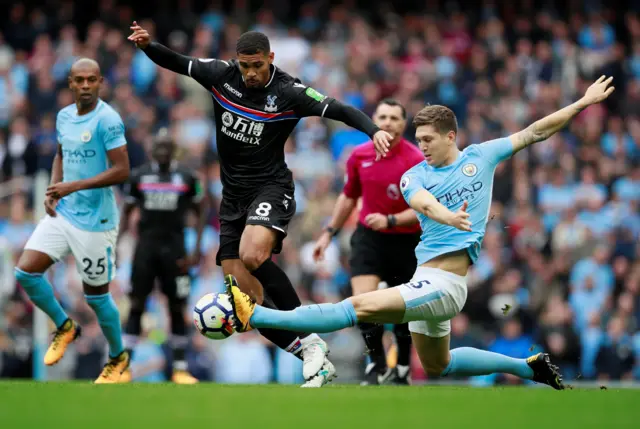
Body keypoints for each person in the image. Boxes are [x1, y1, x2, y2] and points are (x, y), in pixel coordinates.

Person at [227, 75, 617, 390]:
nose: (422, 146)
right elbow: (425, 206)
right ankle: (528, 367)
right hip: (425, 279)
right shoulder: (414, 174)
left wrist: (582, 103)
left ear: (451, 136)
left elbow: (535, 132)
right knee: (439, 365)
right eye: (419, 140)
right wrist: (449, 217)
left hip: (446, 284)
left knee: (358, 306)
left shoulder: (482, 156)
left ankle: (257, 315)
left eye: (428, 139)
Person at [127, 22, 393, 387]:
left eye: (257, 65)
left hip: (271, 188)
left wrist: (373, 130)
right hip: (232, 198)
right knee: (245, 304)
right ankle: (310, 349)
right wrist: (147, 45)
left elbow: (339, 109)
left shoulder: (289, 91)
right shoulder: (222, 76)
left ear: (270, 58)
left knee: (254, 255)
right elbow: (178, 61)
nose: (250, 73)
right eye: (244, 65)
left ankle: (306, 321)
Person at [13, 58, 131, 383]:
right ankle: (65, 327)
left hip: (96, 221)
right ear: (70, 83)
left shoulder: (108, 120)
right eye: (79, 80)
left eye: (91, 80)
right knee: (25, 272)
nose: (85, 86)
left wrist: (72, 186)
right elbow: (61, 154)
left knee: (96, 297)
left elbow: (123, 170)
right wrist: (54, 189)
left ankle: (118, 356)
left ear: (100, 82)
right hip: (64, 212)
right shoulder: (64, 116)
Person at [313, 99, 423, 385]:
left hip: (405, 240)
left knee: (403, 309)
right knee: (362, 301)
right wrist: (328, 232)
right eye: (382, 117)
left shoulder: (415, 161)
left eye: (394, 118)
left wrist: (392, 220)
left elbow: (424, 208)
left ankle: (401, 366)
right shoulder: (358, 155)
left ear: (403, 124)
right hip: (368, 238)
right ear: (374, 120)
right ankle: (375, 363)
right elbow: (349, 196)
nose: (387, 123)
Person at [118, 129, 206, 384]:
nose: (163, 151)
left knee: (177, 306)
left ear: (173, 149)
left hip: (176, 250)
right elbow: (127, 212)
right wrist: (117, 244)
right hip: (145, 249)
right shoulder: (139, 176)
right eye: (159, 146)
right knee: (136, 305)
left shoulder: (188, 177)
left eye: (168, 147)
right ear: (151, 149)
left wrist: (197, 248)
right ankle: (125, 367)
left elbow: (201, 209)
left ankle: (180, 368)